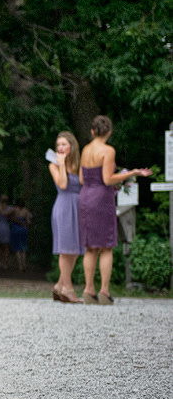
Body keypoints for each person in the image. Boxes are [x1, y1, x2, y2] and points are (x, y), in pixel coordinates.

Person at [78, 115, 153, 305]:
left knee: (90, 247)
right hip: (101, 199)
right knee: (106, 246)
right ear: (109, 132)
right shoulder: (108, 150)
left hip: (85, 196)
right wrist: (132, 173)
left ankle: (88, 290)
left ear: (93, 131)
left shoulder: (85, 149)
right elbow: (108, 179)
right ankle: (104, 290)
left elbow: (81, 179)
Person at [48, 131, 85, 303]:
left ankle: (59, 286)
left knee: (75, 249)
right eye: (58, 145)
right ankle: (68, 289)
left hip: (79, 207)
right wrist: (61, 164)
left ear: (72, 145)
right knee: (65, 249)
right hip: (63, 207)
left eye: (64, 144)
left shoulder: (80, 164)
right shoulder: (54, 165)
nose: (60, 148)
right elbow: (62, 184)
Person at [8, 199, 32, 273]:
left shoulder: (14, 209)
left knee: (17, 248)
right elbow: (29, 221)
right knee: (23, 248)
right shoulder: (26, 211)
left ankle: (20, 265)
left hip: (16, 228)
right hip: (24, 229)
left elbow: (7, 214)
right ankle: (24, 264)